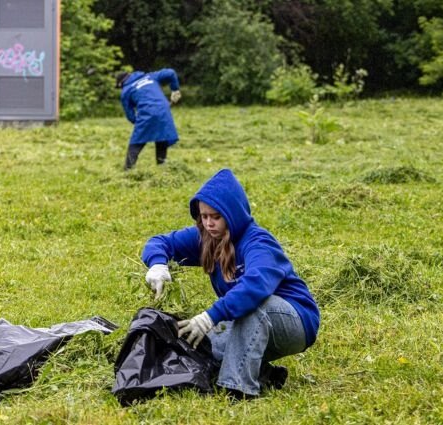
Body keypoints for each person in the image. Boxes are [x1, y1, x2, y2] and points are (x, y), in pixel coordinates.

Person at [141, 169, 320, 398]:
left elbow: (255, 288)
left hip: (294, 321)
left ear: (232, 214)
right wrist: (158, 265)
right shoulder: (207, 238)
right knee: (202, 347)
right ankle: (266, 375)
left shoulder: (258, 242)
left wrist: (210, 316)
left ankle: (237, 389)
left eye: (216, 217)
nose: (208, 223)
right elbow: (160, 242)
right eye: (204, 216)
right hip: (246, 321)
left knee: (254, 307)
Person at [116, 69, 182, 170]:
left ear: (121, 84)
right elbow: (171, 73)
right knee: (162, 136)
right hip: (163, 109)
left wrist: (138, 123)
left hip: (147, 112)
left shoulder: (126, 91)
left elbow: (130, 114)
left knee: (137, 141)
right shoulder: (150, 76)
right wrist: (175, 89)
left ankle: (128, 169)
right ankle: (161, 166)